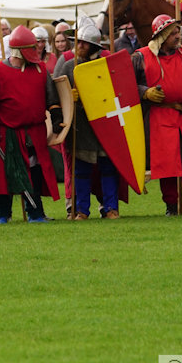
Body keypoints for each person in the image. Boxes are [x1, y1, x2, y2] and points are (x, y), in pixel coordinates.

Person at [0, 25, 62, 223]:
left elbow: (52, 98)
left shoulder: (41, 70)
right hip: (5, 132)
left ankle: (35, 213)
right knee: (3, 174)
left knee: (34, 171)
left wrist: (58, 118)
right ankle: (2, 214)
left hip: (34, 132)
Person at [133, 14, 182, 216]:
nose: (178, 36)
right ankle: (171, 206)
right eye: (173, 33)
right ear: (161, 35)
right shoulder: (140, 57)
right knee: (168, 165)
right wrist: (145, 92)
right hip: (160, 116)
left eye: (178, 32)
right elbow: (127, 84)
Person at [56, 23, 125, 219]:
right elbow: (56, 93)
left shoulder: (107, 65)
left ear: (94, 45)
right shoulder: (69, 66)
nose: (79, 46)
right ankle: (81, 210)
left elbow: (119, 90)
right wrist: (69, 97)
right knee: (81, 171)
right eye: (77, 43)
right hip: (81, 127)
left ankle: (111, 208)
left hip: (105, 123)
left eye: (83, 43)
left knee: (109, 169)